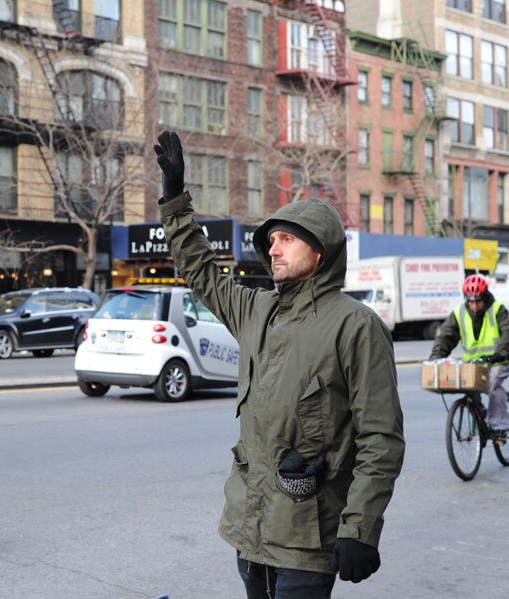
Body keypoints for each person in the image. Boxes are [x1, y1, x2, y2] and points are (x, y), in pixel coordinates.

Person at [154, 131, 405, 598]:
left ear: (320, 251)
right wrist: (174, 199)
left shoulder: (356, 326)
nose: (273, 249)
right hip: (250, 527)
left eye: (287, 240)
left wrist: (361, 528)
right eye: (271, 240)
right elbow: (201, 271)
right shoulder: (257, 309)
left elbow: (381, 439)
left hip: (309, 536)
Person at [429, 273, 509, 440]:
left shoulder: (498, 310)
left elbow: (508, 336)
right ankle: (481, 412)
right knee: (467, 387)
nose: (474, 305)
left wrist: (498, 355)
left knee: (492, 385)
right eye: (471, 301)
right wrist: (436, 357)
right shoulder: (459, 313)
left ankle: (500, 427)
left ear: (485, 297)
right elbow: (446, 336)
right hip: (474, 363)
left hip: (499, 361)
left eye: (478, 301)